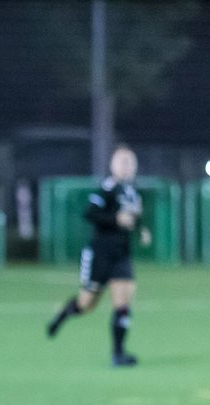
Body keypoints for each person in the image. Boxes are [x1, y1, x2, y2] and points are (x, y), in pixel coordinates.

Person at [45, 144, 151, 367]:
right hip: (100, 255)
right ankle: (62, 315)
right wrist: (115, 219)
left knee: (123, 302)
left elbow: (134, 217)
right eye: (122, 162)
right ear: (113, 165)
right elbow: (90, 213)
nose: (126, 166)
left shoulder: (133, 191)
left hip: (122, 255)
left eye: (130, 162)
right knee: (86, 305)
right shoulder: (107, 188)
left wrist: (141, 230)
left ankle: (118, 353)